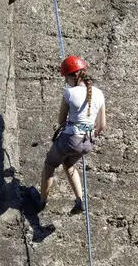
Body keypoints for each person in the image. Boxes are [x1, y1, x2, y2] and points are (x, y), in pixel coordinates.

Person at [35, 55, 107, 214]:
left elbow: (61, 120)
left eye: (66, 77)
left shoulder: (69, 93)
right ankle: (79, 200)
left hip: (70, 139)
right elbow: (102, 126)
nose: (66, 81)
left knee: (50, 165)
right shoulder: (100, 94)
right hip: (87, 142)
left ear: (72, 76)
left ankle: (42, 201)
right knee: (68, 164)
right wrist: (87, 134)